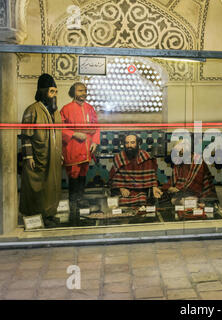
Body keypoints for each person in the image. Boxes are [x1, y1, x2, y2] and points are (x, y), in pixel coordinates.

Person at [19, 73, 62, 228]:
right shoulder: (32, 110)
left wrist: (60, 154)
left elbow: (58, 136)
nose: (54, 95)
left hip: (53, 157)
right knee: (37, 188)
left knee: (53, 187)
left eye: (56, 92)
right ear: (43, 92)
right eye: (51, 91)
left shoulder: (55, 112)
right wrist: (28, 156)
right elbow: (25, 136)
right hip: (38, 157)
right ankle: (37, 217)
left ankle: (49, 214)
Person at [60, 82, 100, 226]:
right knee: (74, 174)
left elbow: (96, 127)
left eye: (85, 90)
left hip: (87, 147)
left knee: (83, 173)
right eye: (80, 90)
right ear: (73, 92)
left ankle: (80, 200)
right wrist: (74, 133)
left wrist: (95, 141)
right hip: (73, 147)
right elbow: (61, 128)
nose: (84, 93)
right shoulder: (66, 109)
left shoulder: (90, 108)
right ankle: (73, 205)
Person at [109, 133, 162, 206]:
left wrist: (154, 187)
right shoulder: (119, 158)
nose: (129, 146)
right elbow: (114, 178)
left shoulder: (145, 157)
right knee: (118, 201)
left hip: (142, 191)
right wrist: (121, 188)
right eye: (127, 143)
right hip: (125, 191)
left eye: (132, 142)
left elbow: (151, 177)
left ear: (138, 143)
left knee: (143, 199)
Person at [162, 139, 217, 205]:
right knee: (165, 199)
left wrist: (177, 190)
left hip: (200, 194)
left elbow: (193, 186)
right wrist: (170, 188)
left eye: (179, 153)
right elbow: (172, 181)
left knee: (184, 202)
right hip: (183, 193)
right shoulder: (179, 160)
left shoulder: (198, 160)